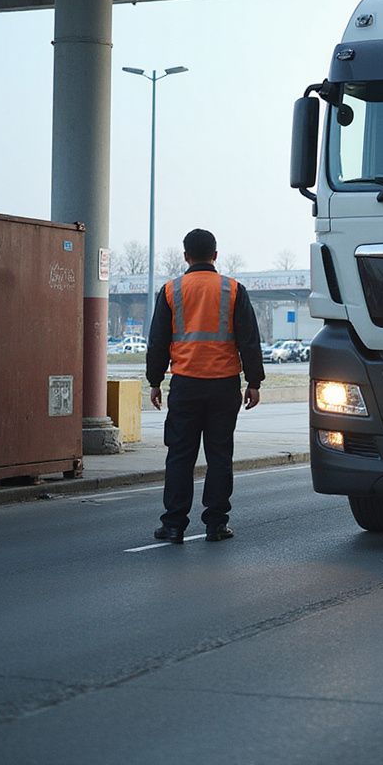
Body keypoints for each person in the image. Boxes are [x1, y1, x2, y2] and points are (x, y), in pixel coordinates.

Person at [146, 228, 265, 543]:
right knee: (220, 456)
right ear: (215, 255)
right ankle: (216, 524)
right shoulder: (233, 289)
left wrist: (155, 381)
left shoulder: (171, 290)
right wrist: (254, 381)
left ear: (186, 256)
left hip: (185, 385)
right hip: (224, 386)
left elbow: (157, 341)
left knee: (180, 456)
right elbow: (249, 340)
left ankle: (173, 525)